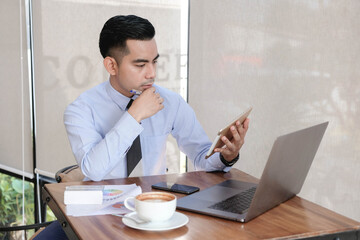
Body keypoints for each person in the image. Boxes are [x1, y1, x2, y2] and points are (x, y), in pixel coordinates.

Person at [34, 14, 249, 239]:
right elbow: (93, 169)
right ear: (111, 65)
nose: (152, 73)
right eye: (140, 64)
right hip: (100, 218)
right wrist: (134, 114)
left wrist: (225, 155)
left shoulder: (170, 102)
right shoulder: (81, 110)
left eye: (154, 61)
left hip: (157, 214)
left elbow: (202, 158)